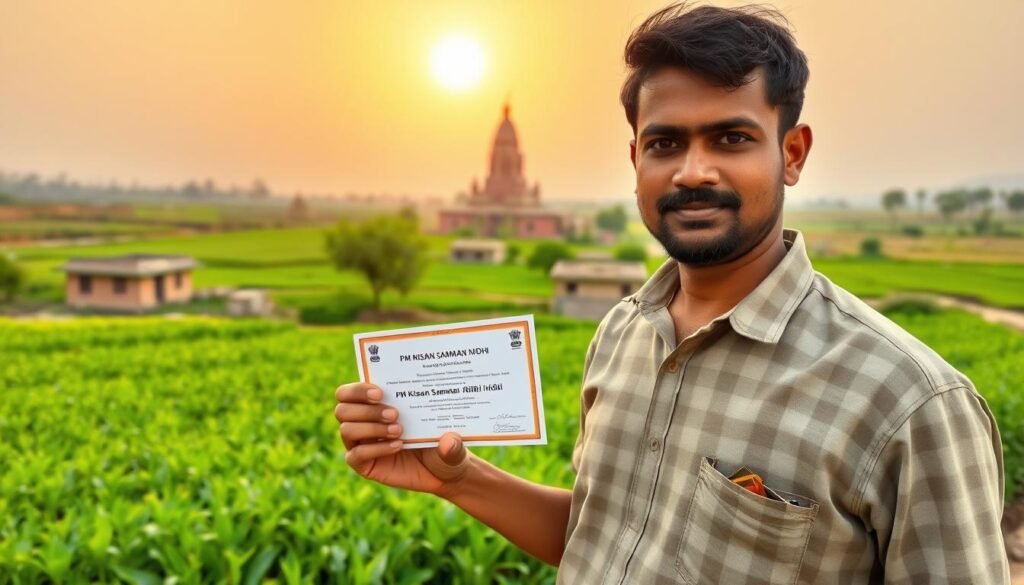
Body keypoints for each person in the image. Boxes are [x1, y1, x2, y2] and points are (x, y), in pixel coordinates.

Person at [334, 2, 1010, 583]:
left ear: (793, 152)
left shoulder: (909, 402)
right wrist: (458, 478)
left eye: (731, 138)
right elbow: (606, 537)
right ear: (637, 161)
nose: (693, 171)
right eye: (665, 143)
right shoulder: (623, 334)